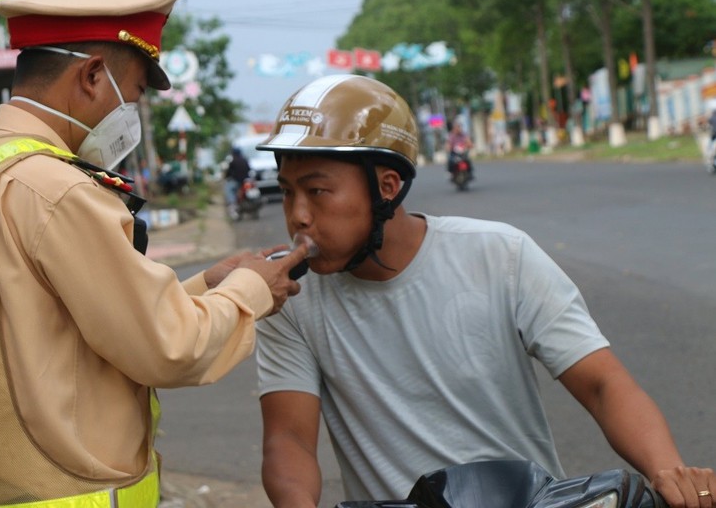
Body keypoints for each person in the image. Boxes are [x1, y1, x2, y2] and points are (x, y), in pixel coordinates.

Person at [0, 0, 311, 508]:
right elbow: (167, 348)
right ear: (90, 76)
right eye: (131, 95)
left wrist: (204, 285)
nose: (129, 114)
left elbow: (72, 322)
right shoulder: (56, 189)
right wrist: (251, 290)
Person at [253, 74, 714, 508]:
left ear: (387, 188)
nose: (298, 215)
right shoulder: (287, 297)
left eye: (317, 191)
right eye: (289, 192)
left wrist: (669, 472)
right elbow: (288, 438)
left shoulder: (500, 255)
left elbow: (602, 384)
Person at [224, 146, 251, 218]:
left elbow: (228, 173)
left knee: (229, 190)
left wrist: (226, 177)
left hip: (236, 182)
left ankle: (233, 205)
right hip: (245, 181)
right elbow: (249, 169)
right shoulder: (245, 160)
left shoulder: (233, 162)